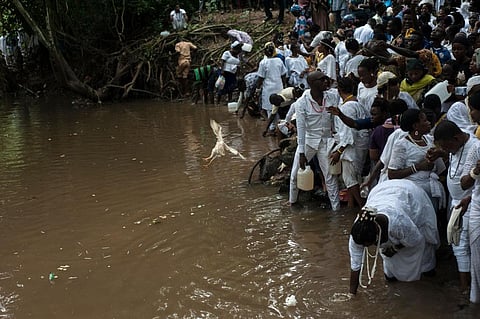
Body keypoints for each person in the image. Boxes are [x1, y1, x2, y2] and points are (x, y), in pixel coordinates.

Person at [349, 179, 440, 294]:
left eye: (370, 244)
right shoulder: (358, 232)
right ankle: (393, 285)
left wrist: (395, 248)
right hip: (381, 192)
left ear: (377, 233)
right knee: (390, 269)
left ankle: (428, 285)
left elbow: (417, 240)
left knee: (425, 259)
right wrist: (352, 295)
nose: (367, 247)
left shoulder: (399, 222)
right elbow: (355, 265)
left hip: (411, 196)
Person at [433, 120, 475, 295]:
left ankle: (469, 289)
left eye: (447, 146)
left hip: (471, 205)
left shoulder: (475, 148)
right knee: (458, 244)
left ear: (457, 138)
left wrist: (471, 199)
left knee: (467, 245)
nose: (447, 150)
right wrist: (441, 153)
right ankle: (465, 287)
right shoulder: (456, 146)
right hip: (457, 203)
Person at [288, 71, 340, 210]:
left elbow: (336, 119)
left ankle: (336, 208)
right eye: (321, 80)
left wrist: (338, 140)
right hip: (308, 142)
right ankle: (293, 203)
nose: (326, 82)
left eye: (326, 79)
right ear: (312, 84)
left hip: (326, 141)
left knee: (330, 176)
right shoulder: (302, 103)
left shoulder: (332, 97)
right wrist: (302, 153)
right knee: (295, 175)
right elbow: (301, 128)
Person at [387, 108, 446, 210]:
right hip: (414, 193)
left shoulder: (429, 139)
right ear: (415, 126)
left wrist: (439, 154)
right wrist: (418, 167)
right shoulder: (402, 145)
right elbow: (392, 174)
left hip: (431, 189)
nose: (428, 123)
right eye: (424, 121)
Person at [331, 77, 370, 208]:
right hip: (361, 145)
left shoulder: (347, 108)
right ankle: (351, 204)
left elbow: (348, 134)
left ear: (339, 90)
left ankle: (362, 205)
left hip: (351, 148)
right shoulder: (358, 104)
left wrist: (339, 151)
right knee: (355, 177)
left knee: (349, 179)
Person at [257, 42, 287, 132]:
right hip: (279, 86)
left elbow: (260, 78)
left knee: (270, 109)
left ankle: (272, 127)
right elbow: (283, 75)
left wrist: (258, 88)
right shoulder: (279, 60)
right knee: (278, 107)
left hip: (268, 89)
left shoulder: (263, 63)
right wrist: (284, 85)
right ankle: (279, 126)